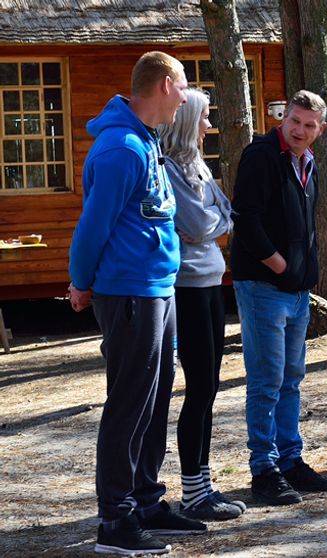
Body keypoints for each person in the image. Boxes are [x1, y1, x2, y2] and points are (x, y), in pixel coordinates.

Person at [69, 51, 206, 556]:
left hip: (158, 289)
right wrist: (80, 282)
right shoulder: (120, 148)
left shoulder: (147, 141)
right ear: (166, 84)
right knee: (128, 403)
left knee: (154, 398)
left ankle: (147, 500)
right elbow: (92, 228)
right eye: (185, 85)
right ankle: (116, 521)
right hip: (129, 293)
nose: (189, 96)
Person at [230, 90, 327, 506]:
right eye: (294, 121)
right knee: (266, 381)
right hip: (263, 287)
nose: (300, 130)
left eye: (309, 126)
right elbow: (247, 220)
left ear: (320, 131)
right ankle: (264, 469)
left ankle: (291, 460)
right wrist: (279, 266)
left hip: (296, 291)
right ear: (282, 118)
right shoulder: (261, 155)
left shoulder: (308, 161)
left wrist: (303, 276)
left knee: (291, 379)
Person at [158, 88, 244, 520]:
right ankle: (193, 489)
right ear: (189, 121)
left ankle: (203, 486)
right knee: (200, 389)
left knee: (210, 387)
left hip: (213, 280)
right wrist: (215, 218)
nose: (211, 125)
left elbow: (228, 215)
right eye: (206, 117)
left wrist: (214, 219)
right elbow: (195, 221)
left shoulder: (199, 167)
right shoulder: (170, 167)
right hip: (188, 286)